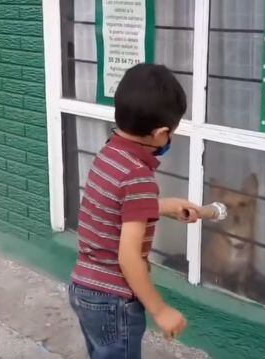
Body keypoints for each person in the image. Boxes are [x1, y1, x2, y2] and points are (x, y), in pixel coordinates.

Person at [69, 63, 201, 359]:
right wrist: (161, 309)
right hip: (114, 300)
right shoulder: (139, 176)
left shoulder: (109, 153)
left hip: (84, 288)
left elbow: (112, 207)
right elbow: (128, 256)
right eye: (171, 134)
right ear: (161, 134)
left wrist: (163, 207)